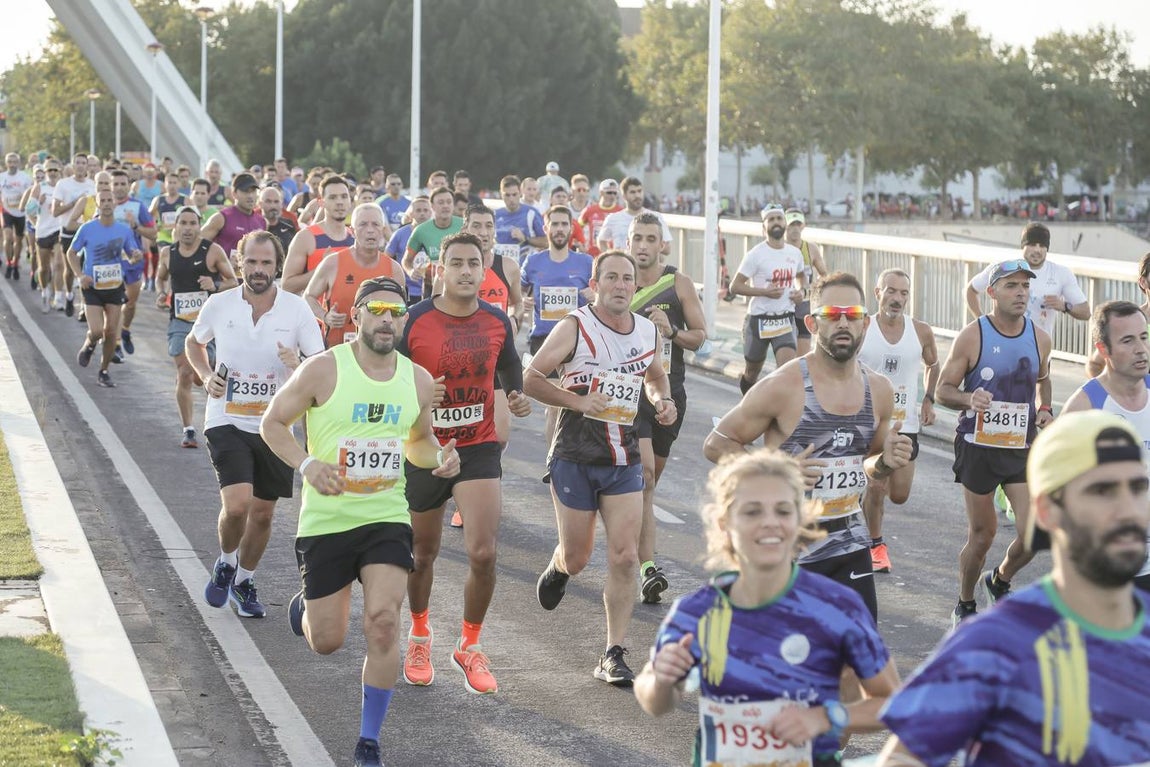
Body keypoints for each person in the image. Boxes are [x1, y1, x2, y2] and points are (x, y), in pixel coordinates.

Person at [260, 276, 460, 767]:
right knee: (327, 641)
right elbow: (271, 423)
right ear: (358, 317)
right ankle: (305, 609)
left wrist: (438, 458)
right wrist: (307, 465)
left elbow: (416, 440)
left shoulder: (416, 379)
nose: (388, 319)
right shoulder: (322, 370)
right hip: (327, 519)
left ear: (404, 320)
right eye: (378, 310)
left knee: (384, 622)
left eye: (396, 311)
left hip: (386, 516)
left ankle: (369, 741)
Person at [878, 410, 1150, 767]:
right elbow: (901, 759)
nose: (1128, 510)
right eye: (1102, 491)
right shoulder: (999, 642)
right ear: (1048, 511)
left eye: (1139, 487)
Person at [635, 450, 899, 767]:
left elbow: (891, 702)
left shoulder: (837, 608)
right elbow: (653, 699)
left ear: (800, 520)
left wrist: (825, 718)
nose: (770, 523)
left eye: (783, 511)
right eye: (752, 512)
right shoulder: (698, 613)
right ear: (724, 524)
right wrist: (662, 680)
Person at [525, 250, 676, 686]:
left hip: (622, 456)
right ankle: (559, 567)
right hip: (575, 454)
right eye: (611, 277)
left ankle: (613, 652)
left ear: (635, 285)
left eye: (627, 278)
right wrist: (577, 401)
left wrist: (662, 401)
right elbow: (532, 378)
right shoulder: (575, 327)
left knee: (625, 555)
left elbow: (655, 375)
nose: (621, 285)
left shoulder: (647, 330)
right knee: (578, 555)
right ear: (595, 283)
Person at [396, 233, 531, 694]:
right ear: (440, 268)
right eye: (457, 263)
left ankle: (469, 646)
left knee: (484, 552)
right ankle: (418, 634)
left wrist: (514, 393)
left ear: (485, 267)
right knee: (422, 552)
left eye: (474, 263)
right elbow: (389, 379)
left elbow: (510, 366)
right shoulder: (414, 321)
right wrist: (417, 401)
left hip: (477, 445)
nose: (467, 271)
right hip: (425, 445)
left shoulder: (496, 320)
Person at [186, 231, 325, 619]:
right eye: (252, 262)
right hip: (226, 417)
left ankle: (244, 580)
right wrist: (204, 373)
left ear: (277, 265)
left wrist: (297, 365)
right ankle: (226, 562)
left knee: (262, 514)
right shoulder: (219, 304)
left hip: (276, 424)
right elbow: (194, 343)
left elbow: (320, 363)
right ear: (239, 261)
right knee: (238, 506)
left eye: (266, 263)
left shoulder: (296, 311)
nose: (259, 270)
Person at [937, 258, 1054, 625]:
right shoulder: (974, 335)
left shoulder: (1040, 337)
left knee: (1035, 533)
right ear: (991, 292)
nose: (1021, 293)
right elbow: (943, 389)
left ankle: (999, 579)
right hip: (978, 446)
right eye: (1011, 286)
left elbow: (1042, 380)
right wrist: (968, 399)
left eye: (1025, 287)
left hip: (1019, 446)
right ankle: (965, 602)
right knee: (983, 536)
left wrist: (1045, 408)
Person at [627, 212, 708, 603]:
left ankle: (630, 538)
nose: (643, 245)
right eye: (637, 238)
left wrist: (671, 330)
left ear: (662, 245)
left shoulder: (678, 284)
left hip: (668, 392)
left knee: (650, 481)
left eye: (650, 239)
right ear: (629, 243)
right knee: (642, 475)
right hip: (628, 393)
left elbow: (701, 338)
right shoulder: (619, 281)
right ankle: (647, 568)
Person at [1062, 300, 1150, 592]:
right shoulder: (1085, 407)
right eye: (1127, 340)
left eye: (1144, 337)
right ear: (1103, 350)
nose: (1140, 348)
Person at [857, 268, 939, 573]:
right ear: (877, 293)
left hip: (906, 426)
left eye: (904, 293)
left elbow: (933, 363)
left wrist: (928, 398)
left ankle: (861, 502)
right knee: (877, 486)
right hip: (869, 424)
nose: (897, 298)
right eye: (891, 291)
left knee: (900, 495)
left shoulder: (920, 331)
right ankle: (875, 546)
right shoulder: (863, 328)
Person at [155, 206, 237, 448]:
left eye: (193, 223)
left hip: (210, 325)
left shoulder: (212, 251)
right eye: (184, 223)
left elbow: (233, 282)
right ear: (176, 226)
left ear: (199, 227)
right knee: (184, 372)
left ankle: (215, 415)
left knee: (204, 376)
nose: (188, 228)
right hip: (180, 321)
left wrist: (214, 283)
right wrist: (161, 293)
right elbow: (160, 278)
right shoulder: (168, 253)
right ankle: (189, 429)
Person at [520, 207, 595, 452]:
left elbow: (600, 295)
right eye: (555, 224)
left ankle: (581, 454)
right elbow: (518, 293)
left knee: (579, 402)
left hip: (580, 340)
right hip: (544, 339)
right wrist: (523, 300)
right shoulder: (533, 262)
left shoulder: (586, 263)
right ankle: (555, 459)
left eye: (565, 224)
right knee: (554, 404)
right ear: (546, 228)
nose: (560, 229)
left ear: (571, 229)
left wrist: (594, 295)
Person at [66, 189, 144, 388]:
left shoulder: (124, 230)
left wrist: (136, 255)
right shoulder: (87, 228)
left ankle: (104, 371)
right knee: (97, 330)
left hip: (114, 286)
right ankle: (90, 343)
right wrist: (80, 275)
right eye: (103, 200)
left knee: (110, 332)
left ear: (115, 204)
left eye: (111, 200)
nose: (108, 203)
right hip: (92, 286)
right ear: (98, 204)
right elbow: (71, 253)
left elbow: (132, 252)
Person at [305, 204, 407, 348]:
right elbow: (308, 297)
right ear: (352, 231)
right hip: (337, 348)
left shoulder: (394, 269)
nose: (370, 230)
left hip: (377, 351)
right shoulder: (333, 263)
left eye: (376, 224)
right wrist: (325, 316)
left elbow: (401, 312)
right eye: (363, 225)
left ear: (383, 230)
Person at [730, 205, 806, 394]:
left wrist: (801, 291)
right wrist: (764, 292)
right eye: (771, 220)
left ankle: (777, 416)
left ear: (785, 224)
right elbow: (735, 286)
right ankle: (747, 408)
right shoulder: (755, 255)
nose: (776, 223)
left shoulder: (794, 253)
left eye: (779, 219)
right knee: (752, 372)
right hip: (759, 319)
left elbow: (801, 277)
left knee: (786, 371)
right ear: (764, 227)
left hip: (784, 318)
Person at [965, 222, 1089, 336]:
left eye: (1042, 245)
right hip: (1002, 343)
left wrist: (1064, 306)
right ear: (1022, 246)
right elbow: (970, 290)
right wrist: (982, 322)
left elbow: (1086, 312)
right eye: (1032, 244)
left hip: (1038, 349)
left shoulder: (1060, 273)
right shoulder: (1003, 267)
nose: (1037, 250)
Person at [110, 169, 157, 357]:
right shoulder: (104, 206)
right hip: (111, 263)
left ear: (129, 186)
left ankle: (126, 329)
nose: (120, 187)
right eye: (116, 184)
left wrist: (135, 226)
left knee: (129, 304)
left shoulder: (138, 207)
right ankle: (115, 344)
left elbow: (153, 233)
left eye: (123, 184)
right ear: (110, 186)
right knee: (113, 304)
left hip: (133, 261)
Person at [282, 174, 355, 294]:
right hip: (315, 311)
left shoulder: (355, 237)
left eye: (344, 197)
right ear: (321, 203)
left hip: (351, 311)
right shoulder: (306, 237)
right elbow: (287, 285)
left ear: (350, 201)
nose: (339, 202)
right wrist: (322, 268)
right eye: (332, 197)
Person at [50, 153, 95, 315]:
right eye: (78, 163)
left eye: (84, 163)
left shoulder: (92, 185)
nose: (81, 166)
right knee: (69, 270)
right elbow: (55, 211)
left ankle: (84, 306)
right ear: (73, 165)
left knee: (86, 269)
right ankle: (69, 295)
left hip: (88, 232)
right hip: (69, 231)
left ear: (87, 166)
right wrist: (74, 203)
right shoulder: (63, 184)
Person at [200, 172, 266, 275]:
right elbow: (198, 246)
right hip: (226, 281)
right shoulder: (221, 217)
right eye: (245, 191)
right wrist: (220, 264)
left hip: (253, 281)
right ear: (234, 194)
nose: (250, 196)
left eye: (253, 191)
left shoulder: (261, 221)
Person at [402, 186, 461, 299]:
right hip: (432, 287)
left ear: (453, 205)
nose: (445, 206)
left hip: (459, 286)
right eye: (441, 202)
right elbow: (406, 260)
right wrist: (410, 271)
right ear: (432, 206)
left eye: (449, 202)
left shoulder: (464, 226)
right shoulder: (421, 230)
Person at [784, 208, 828, 356]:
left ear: (803, 226)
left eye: (798, 224)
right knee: (785, 355)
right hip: (783, 306)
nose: (795, 229)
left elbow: (824, 275)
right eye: (791, 225)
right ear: (785, 226)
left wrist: (815, 292)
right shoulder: (778, 248)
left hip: (804, 306)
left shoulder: (811, 249)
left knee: (803, 357)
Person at [597, 177, 671, 255]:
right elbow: (601, 241)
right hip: (622, 265)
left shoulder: (656, 217)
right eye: (632, 192)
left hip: (646, 265)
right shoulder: (613, 218)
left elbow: (667, 249)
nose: (637, 195)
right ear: (624, 195)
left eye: (639, 191)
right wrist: (612, 257)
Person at [385, 196, 432, 305]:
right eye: (418, 210)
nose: (422, 213)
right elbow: (386, 259)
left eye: (425, 210)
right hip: (406, 290)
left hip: (431, 290)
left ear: (430, 213)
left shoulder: (436, 234)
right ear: (411, 213)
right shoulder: (400, 233)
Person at [493, 175, 545, 263]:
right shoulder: (495, 214)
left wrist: (525, 238)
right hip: (500, 266)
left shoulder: (531, 213)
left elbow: (546, 242)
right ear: (501, 194)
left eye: (514, 194)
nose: (511, 199)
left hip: (524, 267)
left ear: (520, 193)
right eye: (507, 195)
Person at [2, 152, 34, 279]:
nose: (12, 164)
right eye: (10, 162)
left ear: (19, 163)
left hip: (21, 212)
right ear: (6, 163)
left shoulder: (25, 177)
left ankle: (15, 262)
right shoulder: (1, 177)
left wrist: (24, 199)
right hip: (6, 211)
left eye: (15, 162)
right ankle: (9, 262)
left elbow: (32, 194)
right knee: (8, 238)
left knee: (18, 241)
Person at [578, 178, 622, 258]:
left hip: (613, 256)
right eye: (609, 192)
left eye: (615, 193)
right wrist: (581, 246)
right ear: (601, 193)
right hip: (592, 255)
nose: (612, 196)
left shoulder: (621, 211)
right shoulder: (589, 210)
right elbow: (577, 229)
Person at [260, 184, 297, 257]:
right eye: (268, 201)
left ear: (281, 204)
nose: (273, 206)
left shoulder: (289, 225)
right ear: (260, 204)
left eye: (276, 202)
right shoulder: (254, 226)